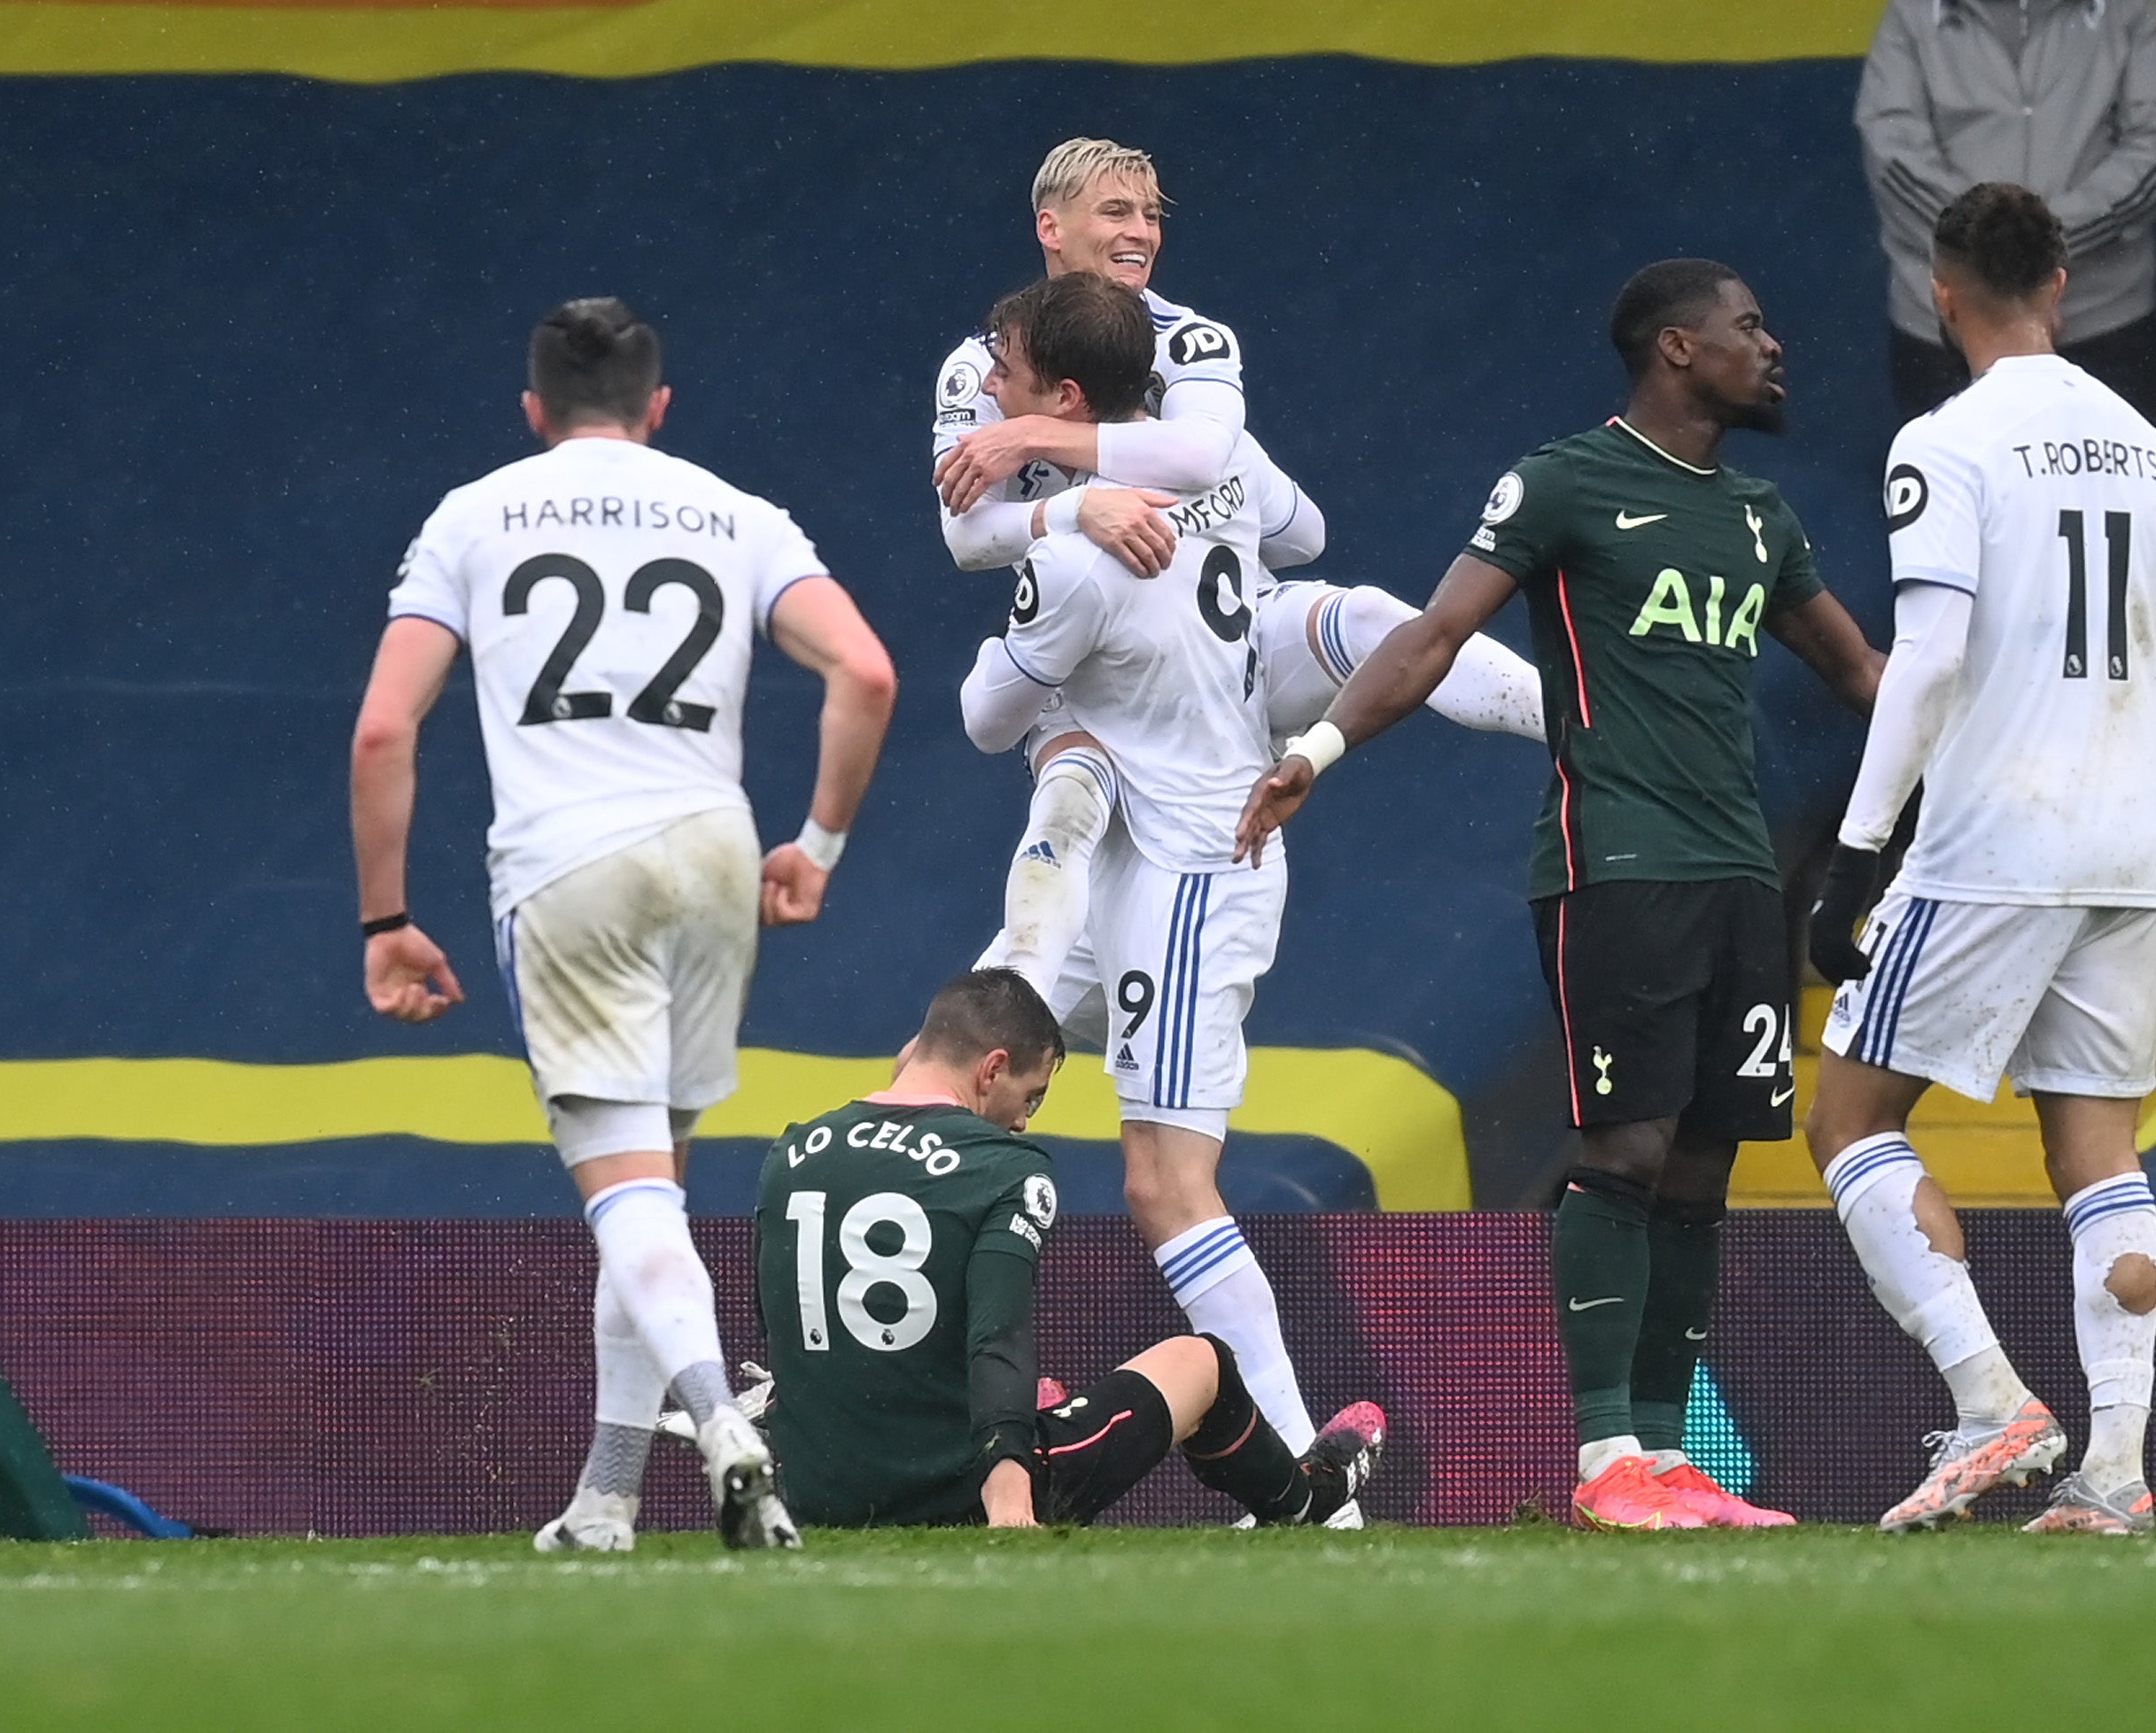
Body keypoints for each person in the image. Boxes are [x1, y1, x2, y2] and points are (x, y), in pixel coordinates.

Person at [1236, 260, 1888, 1532]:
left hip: (1737, 877)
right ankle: (1602, 1461)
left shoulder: (1759, 516)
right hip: (1613, 866)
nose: (1772, 346)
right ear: (1674, 347)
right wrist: (1312, 755)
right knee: (1626, 1149)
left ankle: (1668, 1460)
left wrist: (1991, 744)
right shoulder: (1562, 483)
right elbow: (1427, 636)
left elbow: (1863, 671)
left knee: (1704, 1161)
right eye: (1747, 327)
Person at [351, 297, 897, 1552]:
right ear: (659, 409)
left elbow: (386, 727)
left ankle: (720, 1421)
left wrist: (386, 916)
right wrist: (813, 846)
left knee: (625, 1191)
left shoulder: (473, 514)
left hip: (568, 867)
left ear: (533, 411)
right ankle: (603, 1502)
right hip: (710, 852)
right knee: (650, 1189)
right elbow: (864, 672)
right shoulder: (737, 513)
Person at [1803, 184, 2156, 1536]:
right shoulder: (2152, 455)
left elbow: (1930, 654)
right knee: (2096, 1153)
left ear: (1940, 292)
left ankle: (1991, 1395)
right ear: (2061, 282)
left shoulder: (1943, 445)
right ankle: (2113, 1473)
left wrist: (1851, 850)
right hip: (2125, 850)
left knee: (1844, 1117)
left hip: (1991, 841)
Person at [929, 136, 1541, 986]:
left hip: (1234, 639)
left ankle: (1586, 726)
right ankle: (1010, 995)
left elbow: (1233, 485)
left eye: (1150, 213)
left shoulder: (1189, 339)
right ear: (1051, 226)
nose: (1140, 230)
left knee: (1366, 616)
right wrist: (1077, 506)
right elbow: (965, 536)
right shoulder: (985, 367)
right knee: (1069, 808)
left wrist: (1036, 437)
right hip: (1097, 663)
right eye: (1116, 211)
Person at [956, 272, 1332, 1476]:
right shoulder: (1197, 467)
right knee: (960, 1078)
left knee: (1167, 1182)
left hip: (1185, 868)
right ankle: (914, 1387)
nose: (984, 390)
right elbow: (1301, 528)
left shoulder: (1078, 556)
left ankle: (1302, 1487)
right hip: (1116, 860)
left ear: (1060, 393)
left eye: (1003, 372)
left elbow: (980, 714)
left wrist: (1063, 523)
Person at [753, 967, 1384, 1529]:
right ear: (991, 1067)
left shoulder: (792, 1151)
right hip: (959, 1490)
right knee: (1206, 1363)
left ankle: (1029, 1419)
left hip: (815, 1495)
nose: (1025, 1119)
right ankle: (1310, 1497)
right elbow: (997, 1338)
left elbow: (783, 1327)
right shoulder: (1003, 1166)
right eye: (1030, 1095)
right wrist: (1006, 1492)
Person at [1856, 0, 2156, 422]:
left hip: (2097, 319)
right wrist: (2006, 249)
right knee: (1954, 484)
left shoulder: (2131, 11)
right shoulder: (1913, 12)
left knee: (2106, 488)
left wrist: (2028, 245)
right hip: (1950, 330)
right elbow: (1892, 156)